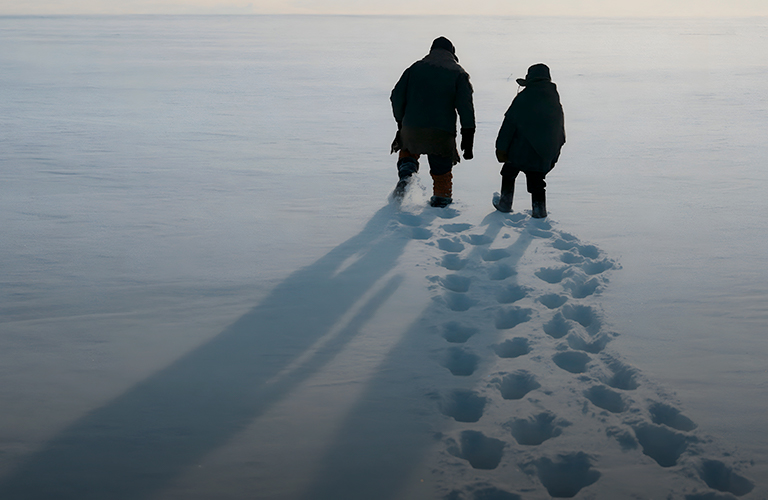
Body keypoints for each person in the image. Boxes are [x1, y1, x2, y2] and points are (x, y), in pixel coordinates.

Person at [390, 37, 476, 207]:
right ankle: (441, 199)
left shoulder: (414, 68)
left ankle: (407, 172)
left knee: (408, 149)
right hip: (441, 132)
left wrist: (401, 122)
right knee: (441, 169)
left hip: (411, 127)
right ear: (452, 53)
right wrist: (468, 134)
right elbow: (465, 107)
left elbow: (396, 96)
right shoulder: (458, 73)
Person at [494, 63, 565, 218]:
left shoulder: (524, 97)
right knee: (537, 182)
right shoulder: (554, 100)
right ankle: (539, 211)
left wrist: (501, 148)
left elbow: (509, 124)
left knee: (508, 173)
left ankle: (505, 204)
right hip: (541, 153)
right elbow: (560, 132)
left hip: (518, 150)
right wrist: (553, 154)